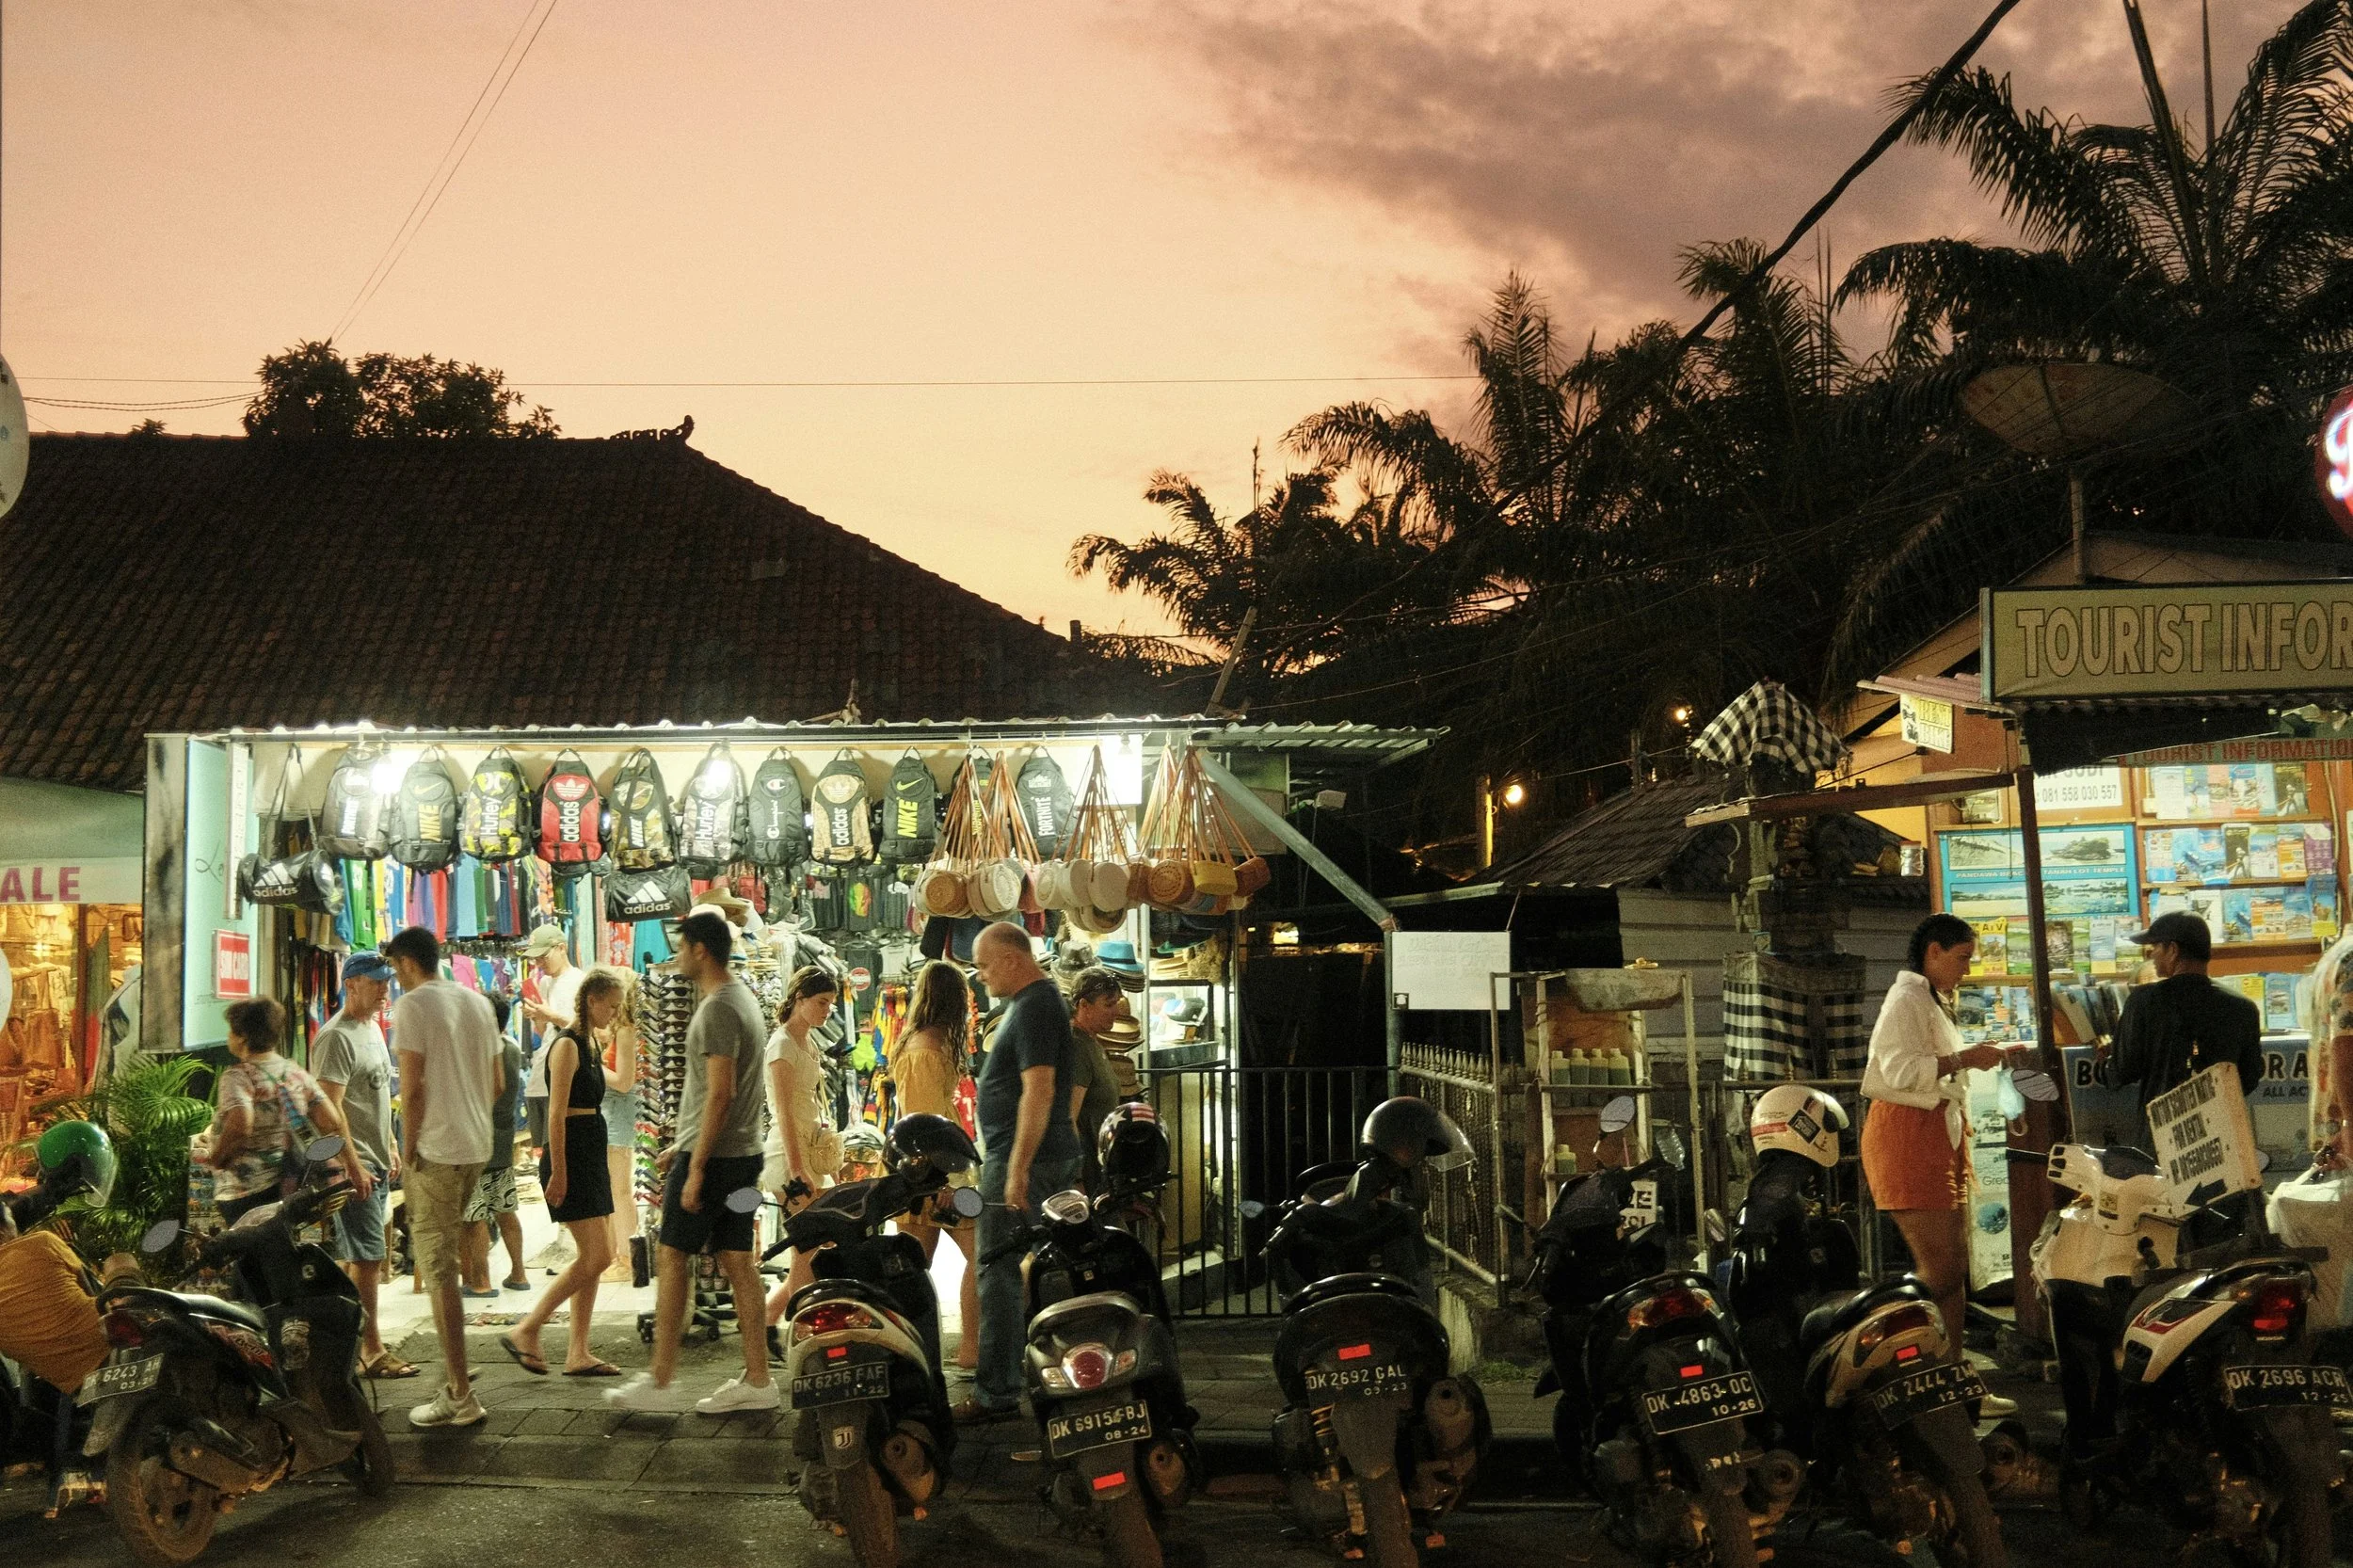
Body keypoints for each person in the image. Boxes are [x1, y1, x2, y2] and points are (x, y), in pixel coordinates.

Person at [606, 910, 776, 1416]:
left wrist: (695, 1164)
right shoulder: (740, 999)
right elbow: (717, 1096)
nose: (676, 957)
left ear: (700, 949)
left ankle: (660, 1382)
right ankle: (759, 1378)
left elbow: (720, 1094)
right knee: (737, 1261)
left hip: (718, 1160)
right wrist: (683, 1144)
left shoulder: (719, 1009)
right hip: (741, 1156)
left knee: (673, 1257)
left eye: (681, 947)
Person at [1859, 912, 2019, 1405]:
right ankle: (1884, 1352)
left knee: (1955, 1270)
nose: (1967, 970)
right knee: (1943, 1269)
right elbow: (1899, 1070)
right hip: (1909, 1136)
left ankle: (1952, 1380)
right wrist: (1964, 1059)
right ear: (1933, 951)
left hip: (1937, 1135)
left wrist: (1966, 1058)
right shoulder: (1907, 997)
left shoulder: (1930, 998)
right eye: (1963, 958)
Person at [959, 921, 1080, 1423]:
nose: (980, 975)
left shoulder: (1033, 1007)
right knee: (1045, 1269)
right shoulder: (1032, 1005)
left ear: (1011, 960)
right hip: (1034, 1155)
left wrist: (1016, 1170)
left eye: (985, 965)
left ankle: (998, 1391)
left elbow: (1040, 1090)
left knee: (999, 1271)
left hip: (1025, 1159)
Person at [385, 924, 504, 1431]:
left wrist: (408, 1146)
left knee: (439, 1274)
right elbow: (499, 1083)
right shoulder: (477, 1003)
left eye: (394, 969)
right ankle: (456, 1377)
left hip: (434, 1151)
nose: (394, 979)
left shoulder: (413, 1006)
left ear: (409, 964)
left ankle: (459, 1392)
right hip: (477, 1146)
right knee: (455, 1263)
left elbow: (411, 1088)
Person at [504, 969, 623, 1377]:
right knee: (598, 1255)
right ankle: (528, 1328)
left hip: (589, 1149)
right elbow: (555, 1114)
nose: (614, 1012)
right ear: (591, 1000)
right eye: (610, 1004)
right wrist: (559, 1170)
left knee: (594, 1259)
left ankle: (578, 1351)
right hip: (571, 1150)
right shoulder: (568, 1045)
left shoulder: (590, 1041)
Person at [311, 951, 412, 1379]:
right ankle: (371, 1349)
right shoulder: (335, 1037)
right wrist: (351, 1164)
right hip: (356, 1166)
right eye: (377, 983)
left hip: (373, 1159)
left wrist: (389, 1141)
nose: (385, 991)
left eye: (387, 983)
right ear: (351, 984)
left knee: (363, 1259)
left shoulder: (371, 1028)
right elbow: (326, 1110)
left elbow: (373, 1094)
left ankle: (351, 1346)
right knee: (369, 1259)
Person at [892, 959, 982, 1372]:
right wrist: (943, 1178)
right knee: (980, 1254)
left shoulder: (917, 1040)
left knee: (911, 1267)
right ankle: (970, 1349)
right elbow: (925, 1119)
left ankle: (909, 1350)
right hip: (934, 1169)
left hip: (915, 1168)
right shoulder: (928, 1048)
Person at [2097, 911, 2264, 1112]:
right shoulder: (2243, 1007)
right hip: (2222, 1131)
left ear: (2173, 950)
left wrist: (2101, 1066)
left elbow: (2121, 1073)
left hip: (2159, 1132)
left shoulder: (2144, 1002)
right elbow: (2249, 1078)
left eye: (2155, 946)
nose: (2152, 955)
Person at [206, 997, 344, 1226]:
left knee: (249, 1259)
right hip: (289, 1186)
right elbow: (330, 1120)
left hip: (247, 1192)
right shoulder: (294, 1071)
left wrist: (217, 1159)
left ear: (243, 1037)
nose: (229, 1037)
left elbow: (241, 1125)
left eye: (232, 1031)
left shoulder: (239, 1076)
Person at [760, 965, 841, 1328]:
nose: (827, 1011)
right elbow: (784, 1113)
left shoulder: (807, 1042)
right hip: (789, 1155)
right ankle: (797, 1326)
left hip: (809, 1152)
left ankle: (768, 1320)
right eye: (822, 1002)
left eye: (830, 1005)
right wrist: (797, 1168)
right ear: (800, 999)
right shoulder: (781, 1045)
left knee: (814, 1248)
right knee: (806, 1250)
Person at [460, 996, 530, 1298]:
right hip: (502, 1143)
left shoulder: (479, 1053)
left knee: (474, 1215)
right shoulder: (512, 1048)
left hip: (476, 1144)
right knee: (505, 1210)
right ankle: (519, 1273)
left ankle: (481, 1281)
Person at [520, 924, 584, 1162]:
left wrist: (549, 1015)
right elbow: (545, 1032)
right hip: (540, 1076)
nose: (539, 964)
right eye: (535, 959)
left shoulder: (580, 981)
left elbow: (584, 1029)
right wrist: (537, 1016)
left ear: (561, 948)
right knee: (544, 1157)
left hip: (564, 1077)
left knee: (562, 1155)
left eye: (543, 957)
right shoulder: (544, 983)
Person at [600, 967, 644, 1286]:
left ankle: (627, 1259)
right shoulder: (622, 1030)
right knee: (616, 1189)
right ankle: (621, 1256)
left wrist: (593, 1064)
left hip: (618, 1112)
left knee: (620, 1190)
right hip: (614, 1112)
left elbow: (625, 1082)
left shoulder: (627, 1031)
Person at [1064, 966, 1125, 1193]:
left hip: (1100, 1171)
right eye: (1108, 1004)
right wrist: (1076, 1177)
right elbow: (1069, 1116)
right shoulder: (1077, 1046)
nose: (1116, 1011)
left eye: (1117, 1003)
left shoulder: (1092, 1043)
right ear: (1083, 1006)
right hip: (1088, 1175)